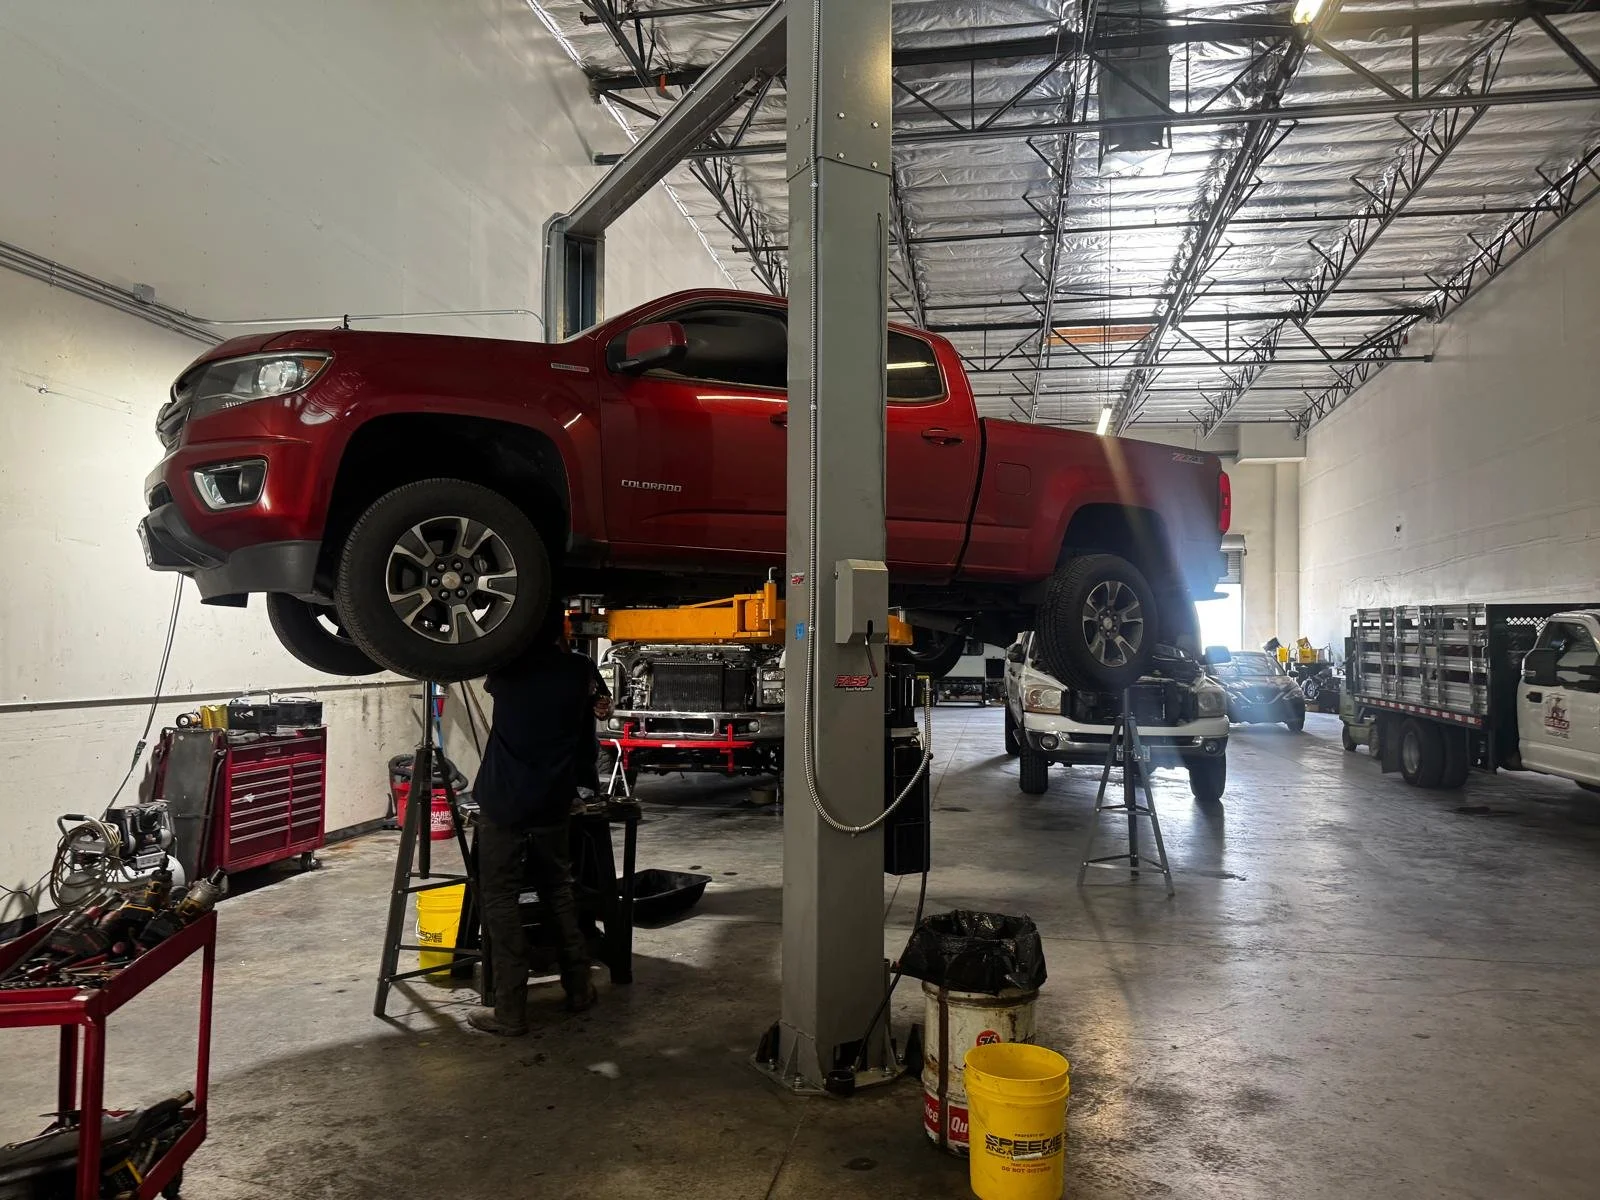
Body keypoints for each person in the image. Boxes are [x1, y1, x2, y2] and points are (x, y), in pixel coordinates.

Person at [467, 621, 611, 1036]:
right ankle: (579, 987)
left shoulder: (507, 665)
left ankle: (510, 1010)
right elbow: (603, 705)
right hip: (555, 797)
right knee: (558, 890)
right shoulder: (579, 668)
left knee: (500, 897)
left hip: (505, 799)